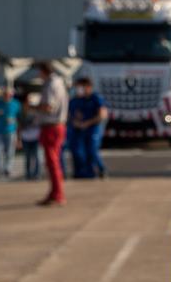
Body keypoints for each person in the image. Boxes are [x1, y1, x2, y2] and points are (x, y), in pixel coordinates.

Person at [30, 61, 68, 206]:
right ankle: (54, 192)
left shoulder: (51, 85)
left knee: (52, 162)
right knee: (53, 161)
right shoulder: (58, 83)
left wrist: (33, 106)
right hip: (55, 126)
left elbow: (48, 107)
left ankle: (58, 194)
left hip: (51, 126)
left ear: (43, 71)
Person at [69, 78, 109, 179]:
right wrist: (76, 122)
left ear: (88, 87)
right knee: (81, 152)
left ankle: (102, 170)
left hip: (93, 129)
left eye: (81, 87)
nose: (79, 89)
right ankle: (87, 172)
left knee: (92, 150)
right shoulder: (78, 100)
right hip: (81, 130)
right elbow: (73, 115)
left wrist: (87, 123)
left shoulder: (96, 98)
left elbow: (102, 115)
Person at [0, 87, 21, 178]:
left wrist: (14, 122)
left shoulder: (16, 104)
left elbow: (20, 118)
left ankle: (8, 168)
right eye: (5, 94)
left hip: (11, 131)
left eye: (9, 94)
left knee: (10, 151)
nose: (7, 96)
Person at [20, 92, 42, 180]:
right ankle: (28, 174)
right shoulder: (22, 111)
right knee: (28, 157)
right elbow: (20, 124)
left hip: (36, 137)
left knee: (37, 156)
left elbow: (40, 123)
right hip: (25, 137)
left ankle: (37, 174)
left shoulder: (38, 111)